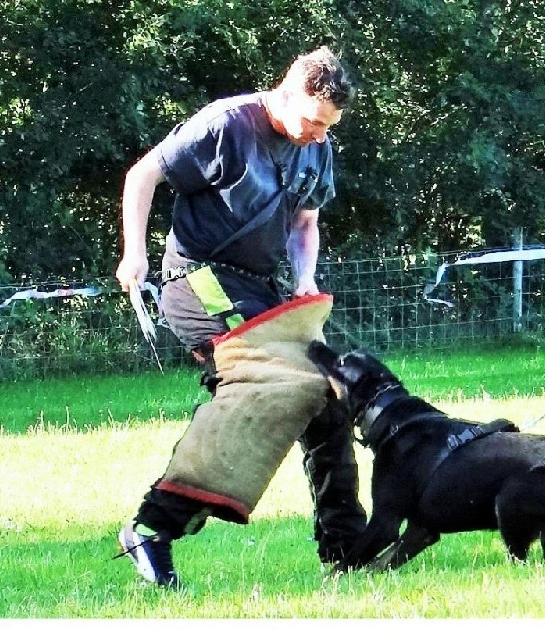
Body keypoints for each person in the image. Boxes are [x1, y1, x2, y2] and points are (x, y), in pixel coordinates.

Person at [114, 46, 367, 588]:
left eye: (329, 126)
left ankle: (348, 550)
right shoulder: (226, 124)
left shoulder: (317, 147)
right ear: (287, 92)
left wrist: (304, 280)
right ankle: (151, 527)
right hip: (197, 279)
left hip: (258, 287)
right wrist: (134, 253)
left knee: (327, 391)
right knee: (270, 383)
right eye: (313, 121)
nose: (319, 135)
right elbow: (143, 176)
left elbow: (304, 224)